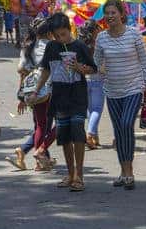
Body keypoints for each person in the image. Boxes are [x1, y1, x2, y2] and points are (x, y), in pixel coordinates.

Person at [28, 13, 97, 192]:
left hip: (78, 96)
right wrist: (36, 91)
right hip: (59, 97)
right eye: (57, 36)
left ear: (69, 29)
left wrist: (79, 68)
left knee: (78, 133)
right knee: (64, 136)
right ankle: (70, 173)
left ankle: (79, 175)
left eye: (63, 34)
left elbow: (92, 69)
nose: (61, 38)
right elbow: (45, 70)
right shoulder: (52, 47)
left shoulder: (80, 46)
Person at [93, 0, 146, 190]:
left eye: (113, 12)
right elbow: (96, 62)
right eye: (107, 13)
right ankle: (124, 171)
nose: (110, 16)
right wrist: (98, 69)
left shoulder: (133, 34)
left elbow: (144, 61)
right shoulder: (101, 38)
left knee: (126, 123)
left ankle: (129, 172)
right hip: (112, 91)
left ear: (122, 14)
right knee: (119, 131)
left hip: (133, 88)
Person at [9, 17, 56, 171]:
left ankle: (36, 157)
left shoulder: (28, 47)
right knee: (57, 123)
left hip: (32, 91)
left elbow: (21, 71)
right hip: (50, 90)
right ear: (50, 32)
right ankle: (40, 157)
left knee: (40, 125)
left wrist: (22, 96)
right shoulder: (52, 46)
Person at [78, 20, 104, 150]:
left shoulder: (80, 45)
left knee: (90, 109)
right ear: (94, 31)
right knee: (97, 109)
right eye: (97, 29)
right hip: (97, 79)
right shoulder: (98, 45)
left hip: (83, 80)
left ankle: (94, 138)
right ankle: (90, 134)